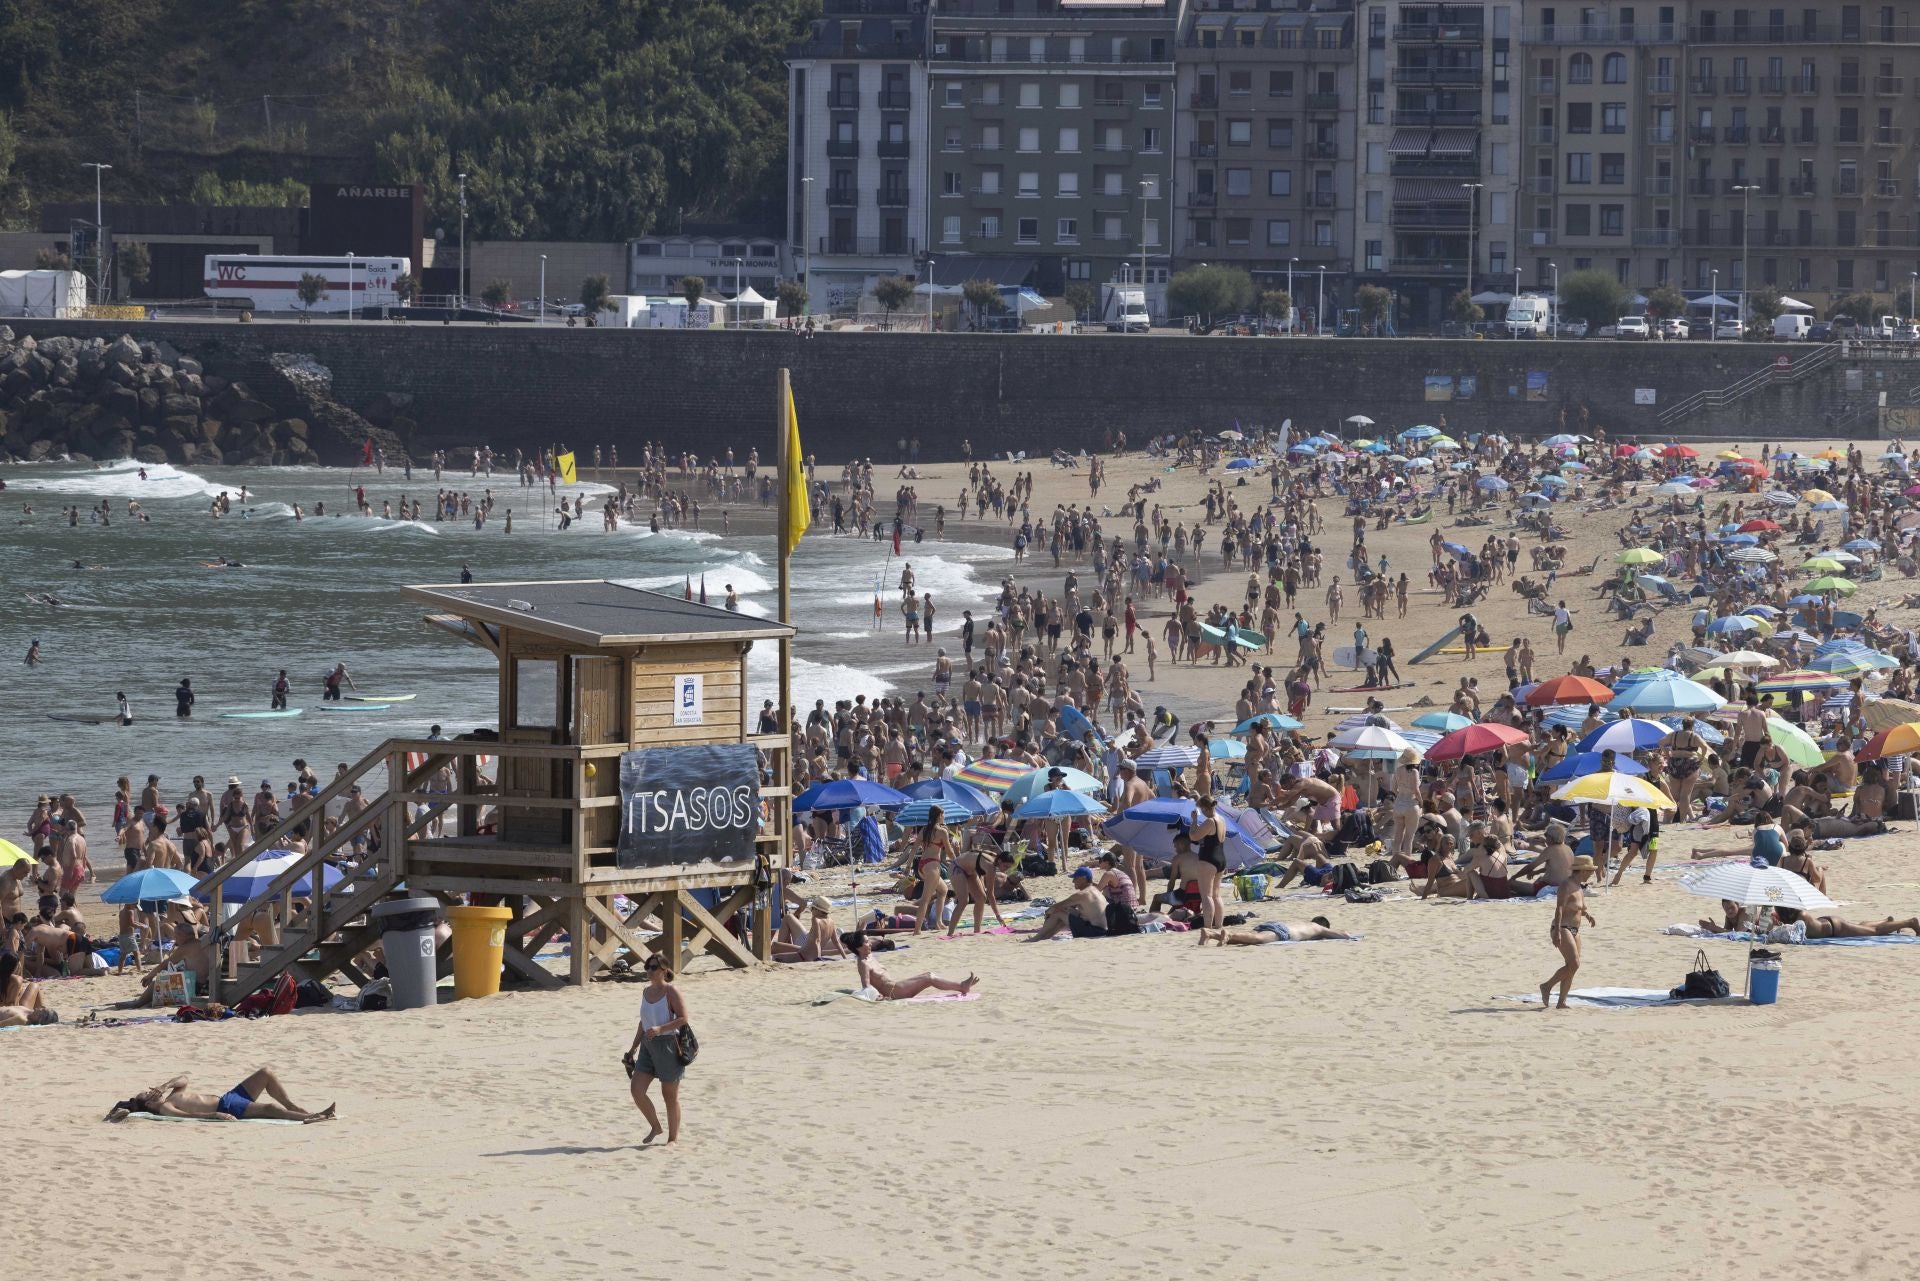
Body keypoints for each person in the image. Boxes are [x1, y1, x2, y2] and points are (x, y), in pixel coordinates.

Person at [623, 954, 690, 1144]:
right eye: (647, 967)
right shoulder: (646, 992)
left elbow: (683, 1018)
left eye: (653, 967)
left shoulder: (671, 991)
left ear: (664, 970)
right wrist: (633, 1048)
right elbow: (642, 1022)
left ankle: (672, 1139)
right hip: (647, 1046)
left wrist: (660, 1028)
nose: (649, 971)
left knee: (669, 1097)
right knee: (636, 1089)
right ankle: (656, 1127)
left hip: (668, 1045)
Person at [104, 1068, 334, 1122]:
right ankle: (310, 1117)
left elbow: (184, 1078)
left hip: (229, 1096)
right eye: (148, 1093)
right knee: (270, 1109)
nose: (151, 1091)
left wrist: (164, 1085)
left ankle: (294, 1107)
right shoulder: (165, 1108)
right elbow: (188, 1117)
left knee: (265, 1073)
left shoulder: (170, 1095)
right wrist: (215, 1115)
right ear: (148, 1103)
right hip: (227, 1107)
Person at [848, 930, 977, 999]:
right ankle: (962, 987)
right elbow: (866, 986)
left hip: (897, 987)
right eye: (866, 942)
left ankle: (961, 986)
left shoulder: (869, 955)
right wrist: (877, 997)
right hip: (894, 993)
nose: (870, 943)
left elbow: (872, 938)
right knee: (929, 977)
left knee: (928, 975)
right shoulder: (863, 963)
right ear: (859, 947)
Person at [1539, 876, 1596, 1011]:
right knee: (1574, 963)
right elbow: (1559, 908)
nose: (1591, 873)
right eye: (1589, 871)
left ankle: (1561, 1002)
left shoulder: (1579, 887)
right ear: (1582, 871)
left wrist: (1588, 916)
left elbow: (1578, 909)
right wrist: (1557, 932)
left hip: (1575, 930)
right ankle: (1546, 986)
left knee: (1571, 967)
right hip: (1563, 927)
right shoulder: (1566, 885)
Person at [1028, 867, 1111, 938]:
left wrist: (1047, 913)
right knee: (1064, 916)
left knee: (1057, 912)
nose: (1073, 881)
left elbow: (1055, 907)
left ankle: (1036, 938)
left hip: (1094, 932)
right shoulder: (1095, 890)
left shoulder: (1082, 894)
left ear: (1083, 878)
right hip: (1103, 930)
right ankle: (1044, 937)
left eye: (1075, 878)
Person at [1195, 916, 1352, 945]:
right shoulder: (1319, 928)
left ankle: (1211, 934)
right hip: (1284, 931)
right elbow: (1345, 935)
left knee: (1250, 938)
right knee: (1258, 939)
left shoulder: (1304, 923)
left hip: (1276, 923)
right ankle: (1229, 934)